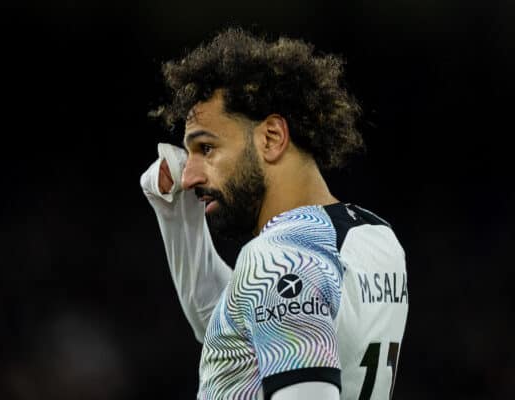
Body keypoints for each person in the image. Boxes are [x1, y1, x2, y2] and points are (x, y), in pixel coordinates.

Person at [140, 27, 408, 400]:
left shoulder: (279, 259)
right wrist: (176, 215)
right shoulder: (376, 238)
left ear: (271, 138)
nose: (189, 175)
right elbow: (234, 329)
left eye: (207, 147)